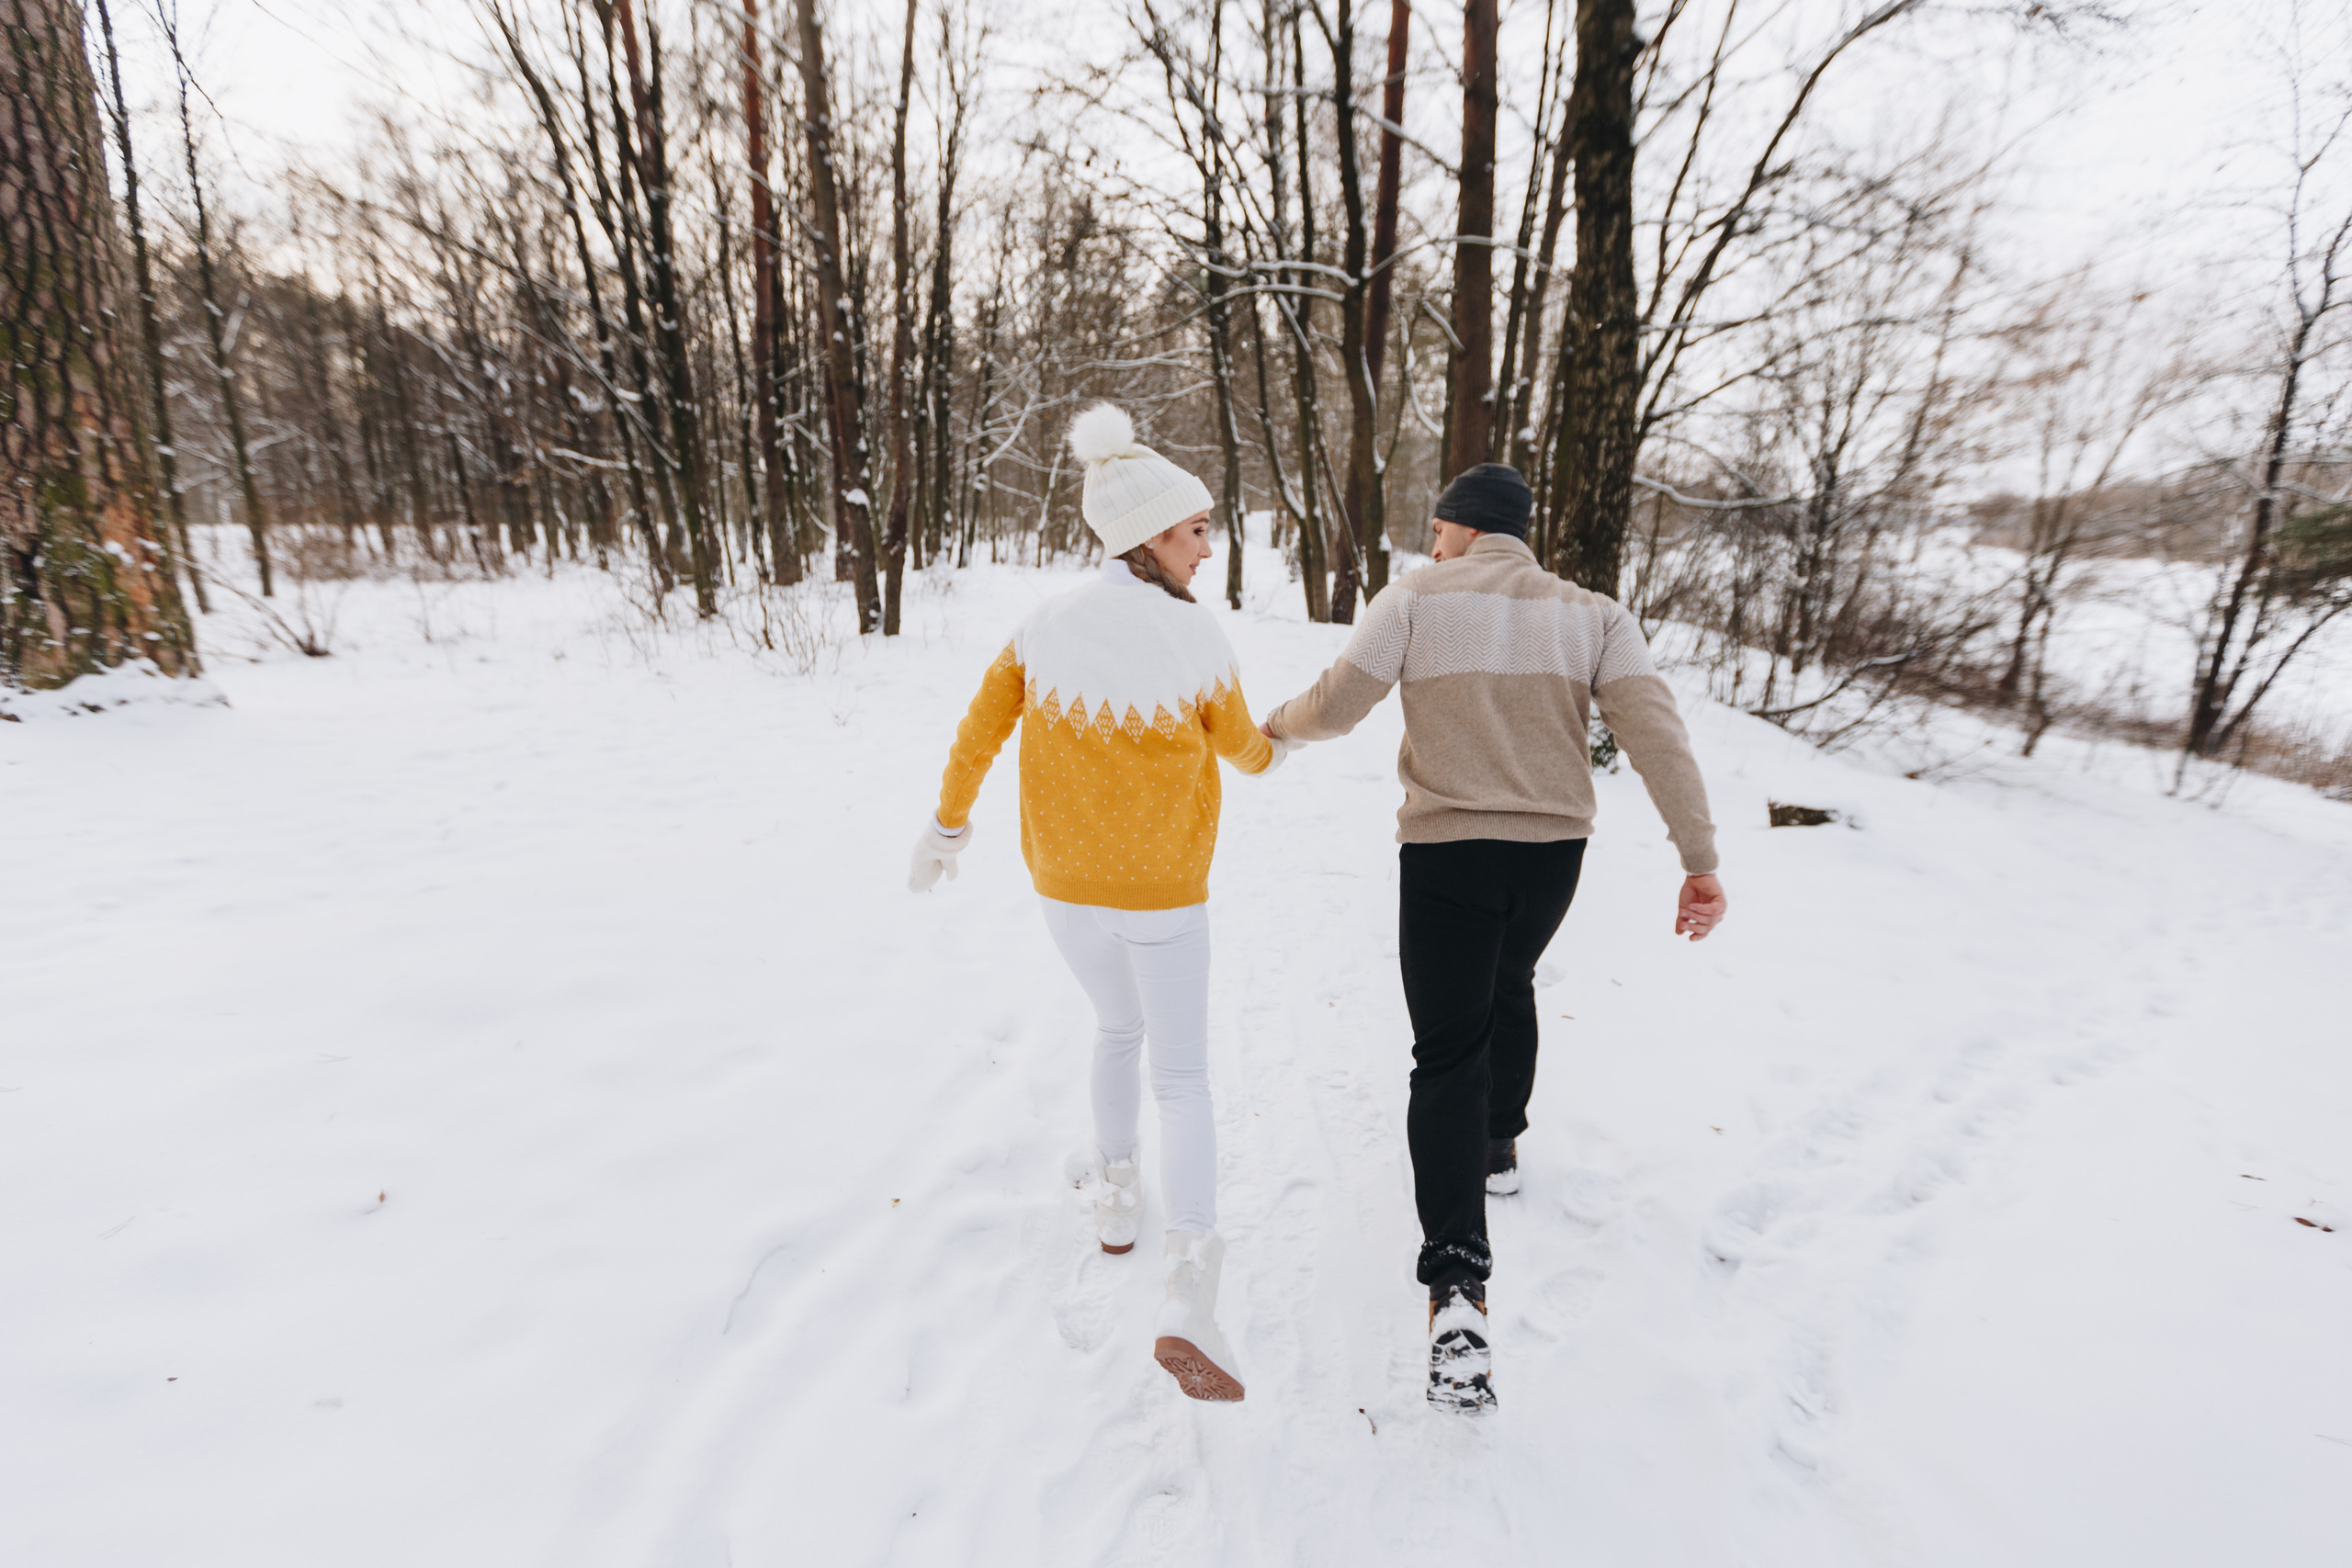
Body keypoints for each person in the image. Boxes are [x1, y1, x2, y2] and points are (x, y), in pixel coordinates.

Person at [1261, 461, 1726, 1416]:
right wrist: (1698, 857)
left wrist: (1271, 732)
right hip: (1552, 855)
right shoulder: (1592, 614)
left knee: (1445, 1053)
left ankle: (1458, 1280)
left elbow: (1339, 704)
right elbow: (1656, 734)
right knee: (1508, 978)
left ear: (1459, 527)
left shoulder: (1418, 598)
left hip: (1447, 853)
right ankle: (1500, 1143)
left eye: (1435, 533)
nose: (1430, 549)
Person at [908, 402, 1286, 1404]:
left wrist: (947, 829)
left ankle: (1118, 1204)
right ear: (1148, 538)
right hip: (1165, 894)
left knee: (1115, 1029)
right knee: (1185, 1079)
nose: (1209, 546)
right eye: (1195, 529)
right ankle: (1189, 1292)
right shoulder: (1194, 637)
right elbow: (1242, 751)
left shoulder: (1042, 627)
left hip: (1065, 891)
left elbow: (976, 735)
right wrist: (1281, 744)